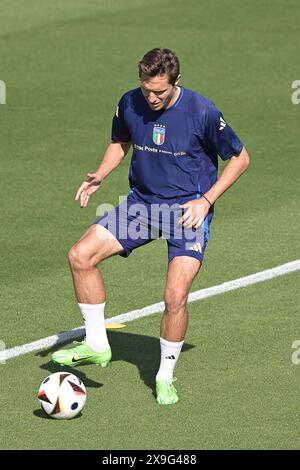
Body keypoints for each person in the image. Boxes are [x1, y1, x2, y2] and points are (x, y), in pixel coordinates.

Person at [52, 48, 250, 405]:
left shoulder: (201, 111)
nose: (152, 98)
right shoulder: (130, 102)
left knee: (175, 296)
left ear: (176, 82)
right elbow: (121, 141)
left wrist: (206, 201)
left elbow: (240, 157)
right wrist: (101, 173)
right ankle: (97, 344)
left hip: (187, 213)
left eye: (159, 91)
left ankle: (164, 375)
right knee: (80, 256)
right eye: (146, 90)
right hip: (142, 205)